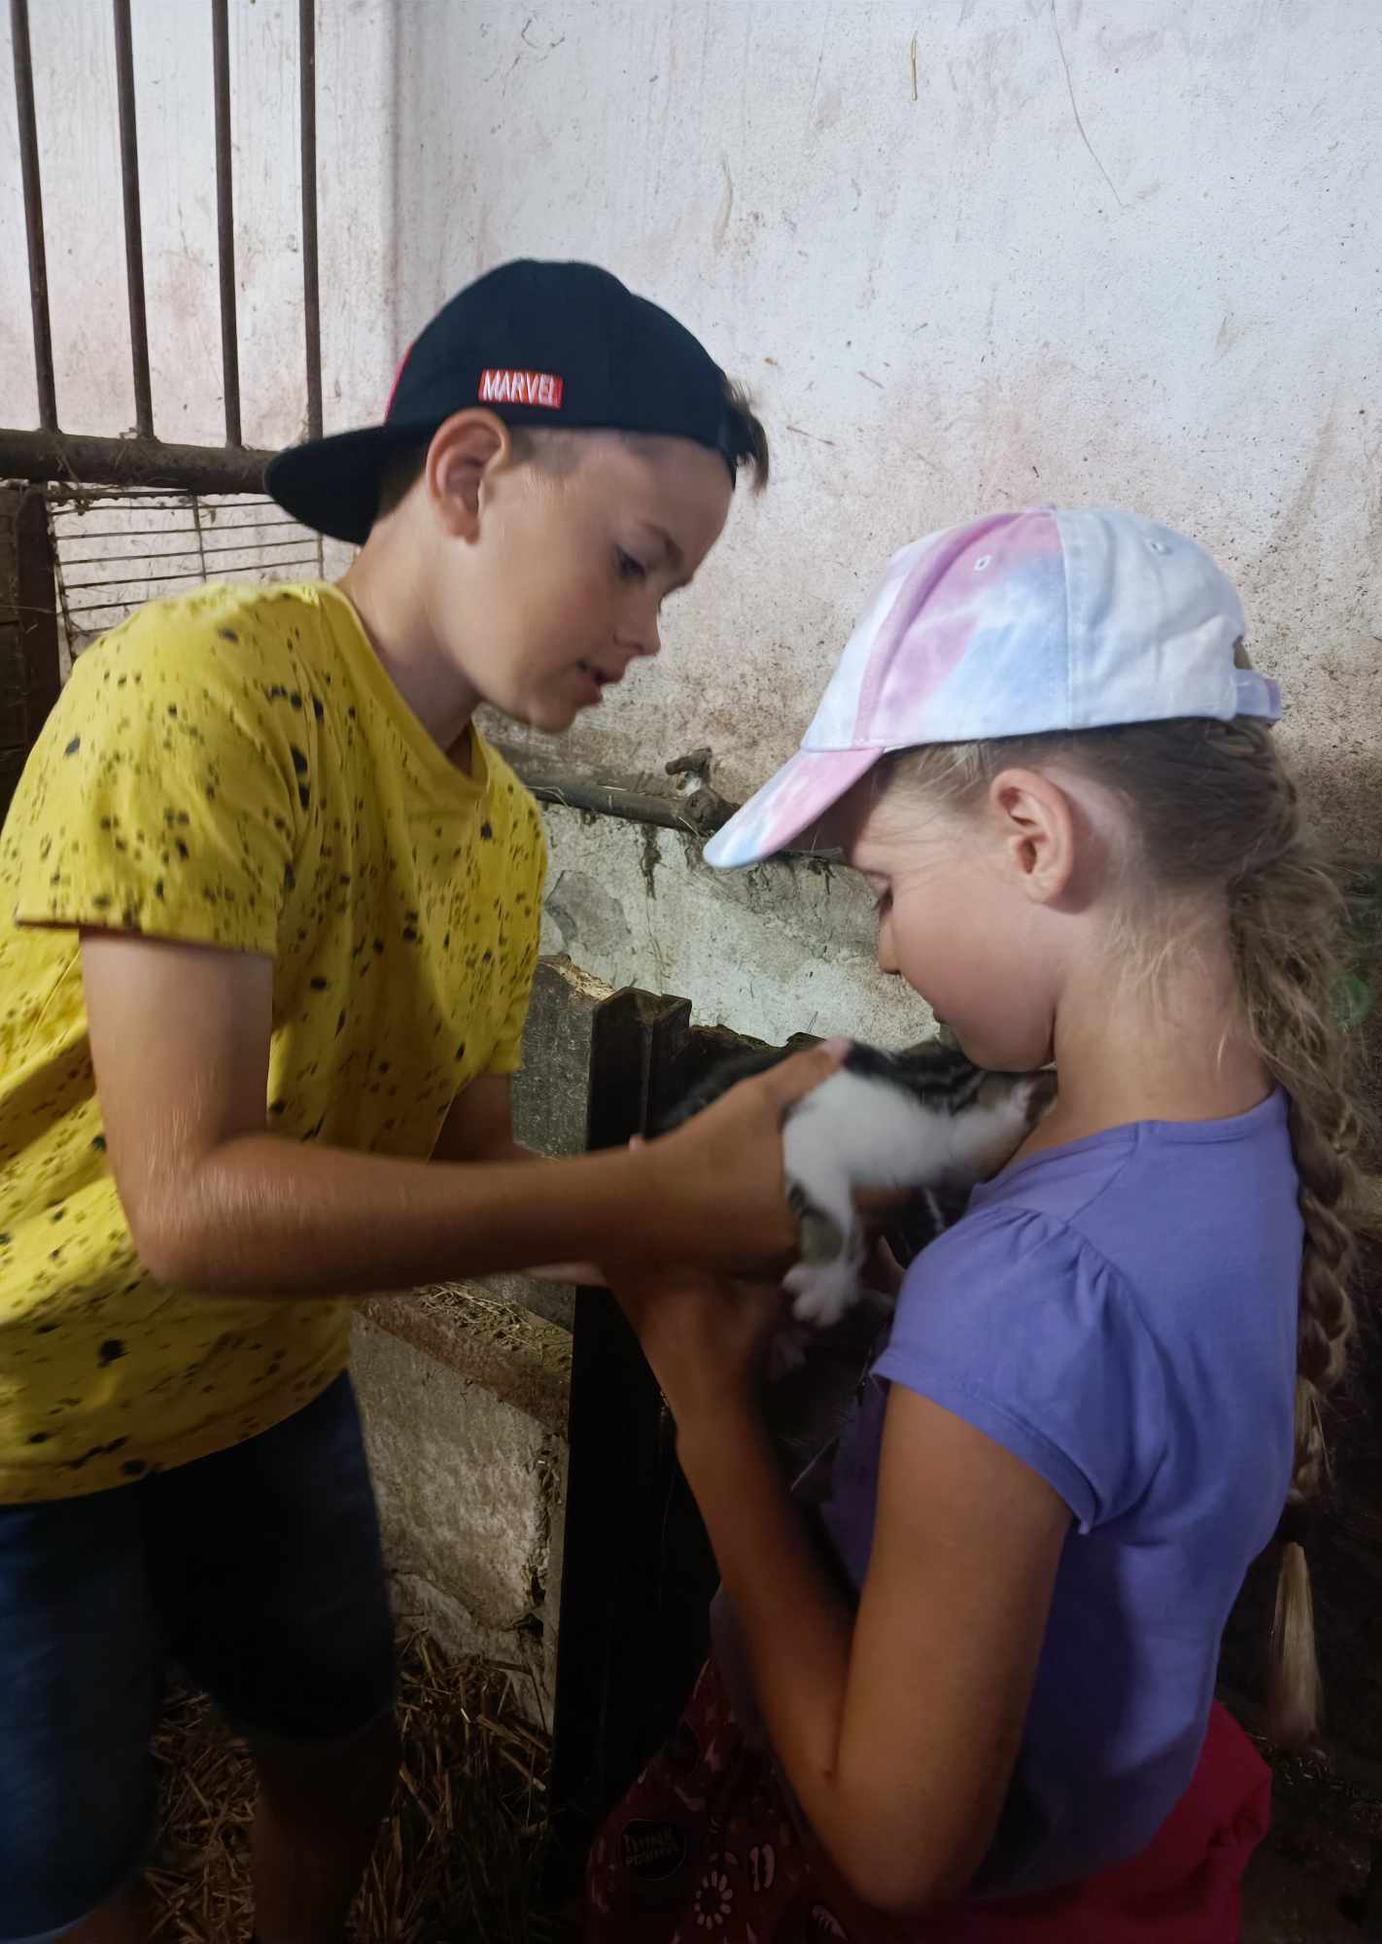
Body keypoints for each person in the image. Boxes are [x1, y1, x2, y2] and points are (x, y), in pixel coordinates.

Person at [0, 259, 840, 1944]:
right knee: (72, 1883)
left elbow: (470, 1167)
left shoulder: (502, 835)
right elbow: (191, 1204)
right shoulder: (208, 685)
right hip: (26, 1419)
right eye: (633, 562)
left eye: (669, 590)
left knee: (340, 1756)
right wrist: (656, 1192)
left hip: (264, 1383)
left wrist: (705, 1250)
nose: (647, 635)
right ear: (467, 471)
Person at [587, 508, 1358, 1942]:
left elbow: (893, 1847)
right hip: (1126, 1854)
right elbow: (1095, 1422)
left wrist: (707, 1407)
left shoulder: (1027, 1285)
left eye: (882, 888)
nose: (883, 947)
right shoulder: (1231, 1138)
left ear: (1031, 834)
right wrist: (906, 1356)